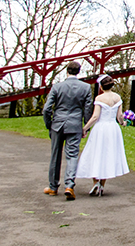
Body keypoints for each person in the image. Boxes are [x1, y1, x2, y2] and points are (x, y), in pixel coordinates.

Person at [43, 61, 92, 200]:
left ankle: (53, 187)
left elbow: (47, 108)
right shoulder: (86, 88)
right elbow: (87, 109)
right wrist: (86, 127)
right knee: (72, 155)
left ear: (67, 71)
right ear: (79, 71)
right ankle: (69, 185)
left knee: (55, 155)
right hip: (75, 124)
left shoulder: (57, 87)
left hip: (57, 124)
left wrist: (49, 124)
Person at [76, 74, 130, 196]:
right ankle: (102, 185)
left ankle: (95, 182)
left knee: (96, 153)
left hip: (101, 128)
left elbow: (95, 117)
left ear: (101, 86)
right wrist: (123, 123)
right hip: (113, 128)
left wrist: (85, 128)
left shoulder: (99, 99)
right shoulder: (117, 97)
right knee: (108, 154)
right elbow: (119, 116)